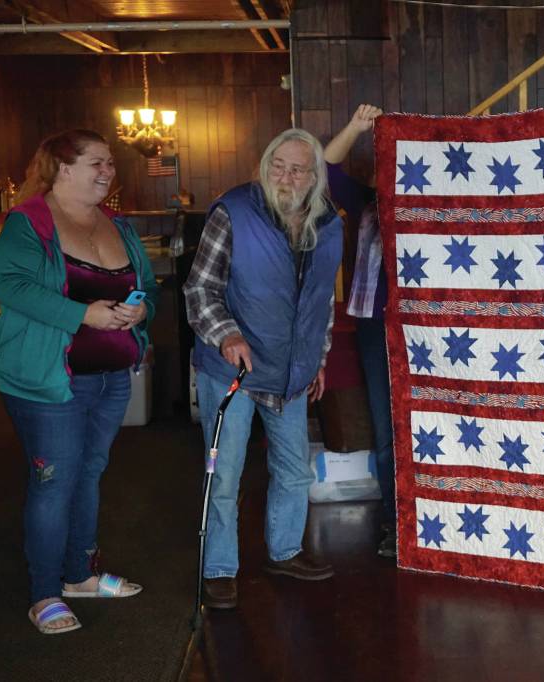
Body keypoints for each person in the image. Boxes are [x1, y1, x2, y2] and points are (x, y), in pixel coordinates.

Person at [0, 129, 158, 634]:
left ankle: (79, 575)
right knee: (54, 482)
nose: (108, 171)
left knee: (88, 475)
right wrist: (82, 314)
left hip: (111, 379)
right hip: (48, 382)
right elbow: (10, 285)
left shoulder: (116, 224)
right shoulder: (29, 223)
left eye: (110, 163)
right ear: (63, 169)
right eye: (96, 162)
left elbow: (146, 285)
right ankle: (44, 593)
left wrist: (141, 309)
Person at [185, 128, 343, 609]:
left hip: (291, 372)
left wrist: (317, 357)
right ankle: (219, 568)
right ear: (264, 166)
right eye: (278, 166)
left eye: (297, 169)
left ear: (314, 177)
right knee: (225, 475)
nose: (286, 177)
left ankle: (286, 551)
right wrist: (227, 335)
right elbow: (200, 289)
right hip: (231, 370)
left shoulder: (327, 223)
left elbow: (321, 302)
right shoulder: (233, 212)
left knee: (294, 472)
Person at [324, 104, 396, 557]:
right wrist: (355, 126)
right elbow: (325, 169)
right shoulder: (364, 202)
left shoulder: (440, 205)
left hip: (431, 330)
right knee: (387, 428)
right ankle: (395, 523)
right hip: (375, 326)